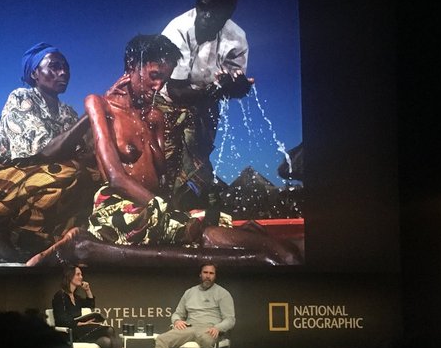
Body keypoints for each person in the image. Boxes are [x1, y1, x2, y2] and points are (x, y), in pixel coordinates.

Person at [28, 34, 298, 267]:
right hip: (120, 208)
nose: (158, 86)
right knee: (215, 237)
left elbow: (163, 179)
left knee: (232, 230)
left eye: (164, 79)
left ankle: (272, 254)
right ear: (132, 66)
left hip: (156, 207)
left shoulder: (155, 116)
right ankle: (262, 259)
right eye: (154, 76)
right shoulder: (100, 104)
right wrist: (169, 212)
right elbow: (115, 177)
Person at [0, 42, 97, 262]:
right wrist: (90, 114)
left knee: (92, 176)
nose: (63, 72)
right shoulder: (21, 98)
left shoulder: (67, 112)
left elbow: (83, 152)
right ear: (35, 73)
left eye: (65, 67)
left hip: (41, 177)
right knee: (69, 172)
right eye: (54, 66)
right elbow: (46, 153)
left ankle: (32, 239)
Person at [158, 0, 255, 211]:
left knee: (198, 163)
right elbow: (175, 89)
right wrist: (215, 91)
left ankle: (190, 210)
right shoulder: (177, 29)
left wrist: (239, 87)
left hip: (205, 106)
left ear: (229, 12)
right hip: (167, 103)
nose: (207, 16)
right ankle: (166, 209)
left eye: (216, 12)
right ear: (197, 3)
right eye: (203, 8)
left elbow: (234, 88)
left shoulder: (237, 38)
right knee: (165, 164)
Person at [152, 263, 234, 348]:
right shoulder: (189, 292)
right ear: (200, 274)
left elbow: (230, 319)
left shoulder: (223, 293)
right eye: (205, 272)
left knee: (207, 341)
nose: (208, 276)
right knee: (162, 339)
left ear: (215, 276)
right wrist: (177, 321)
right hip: (189, 327)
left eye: (211, 273)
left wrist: (218, 328)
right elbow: (177, 313)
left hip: (209, 329)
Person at [51, 263, 132, 348]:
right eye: (78, 274)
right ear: (69, 276)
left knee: (106, 342)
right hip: (70, 334)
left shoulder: (76, 297)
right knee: (109, 329)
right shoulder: (60, 296)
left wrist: (88, 290)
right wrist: (81, 323)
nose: (81, 277)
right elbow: (61, 320)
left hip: (81, 332)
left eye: (81, 274)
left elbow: (90, 305)